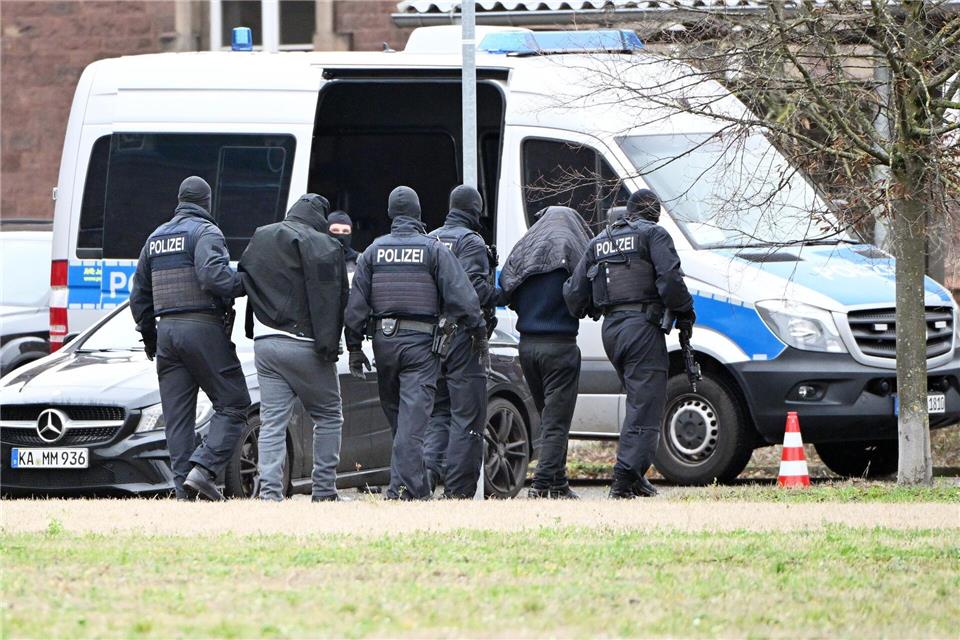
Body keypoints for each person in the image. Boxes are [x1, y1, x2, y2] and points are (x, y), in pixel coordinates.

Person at [344, 186, 486, 500]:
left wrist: (354, 347)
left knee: (399, 420)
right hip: (421, 346)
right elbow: (464, 297)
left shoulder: (372, 251)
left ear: (391, 214)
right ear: (418, 214)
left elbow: (355, 306)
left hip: (384, 343)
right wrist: (477, 330)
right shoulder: (433, 249)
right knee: (411, 423)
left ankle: (407, 486)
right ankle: (409, 490)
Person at [564, 189, 695, 499]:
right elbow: (671, 280)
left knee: (639, 401)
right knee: (646, 404)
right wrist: (686, 311)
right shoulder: (654, 235)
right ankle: (624, 477)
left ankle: (636, 476)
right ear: (655, 213)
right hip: (642, 329)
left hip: (612, 331)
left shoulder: (600, 241)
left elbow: (574, 294)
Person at [129, 176, 249, 501]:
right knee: (235, 403)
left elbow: (139, 296)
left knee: (178, 418)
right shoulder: (205, 232)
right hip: (202, 327)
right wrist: (247, 282)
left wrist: (151, 339)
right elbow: (215, 278)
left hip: (166, 332)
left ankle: (185, 491)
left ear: (180, 199)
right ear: (207, 202)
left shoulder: (155, 238)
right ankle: (204, 469)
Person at [238, 193, 349, 502]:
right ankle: (324, 490)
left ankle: (270, 493)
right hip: (304, 345)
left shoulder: (262, 235)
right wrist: (332, 346)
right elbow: (334, 298)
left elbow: (245, 277)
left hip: (265, 343)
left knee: (273, 421)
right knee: (328, 415)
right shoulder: (326, 246)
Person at [499, 206, 592, 499]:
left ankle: (559, 483)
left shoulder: (525, 254)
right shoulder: (574, 254)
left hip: (527, 348)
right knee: (556, 420)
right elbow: (586, 298)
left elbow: (506, 291)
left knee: (549, 417)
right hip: (560, 347)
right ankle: (540, 486)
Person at [424, 185, 498, 498]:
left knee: (438, 413)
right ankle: (457, 491)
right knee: (468, 416)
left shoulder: (430, 239)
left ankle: (426, 476)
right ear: (474, 209)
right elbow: (476, 291)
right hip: (463, 337)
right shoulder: (471, 241)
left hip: (430, 339)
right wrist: (505, 292)